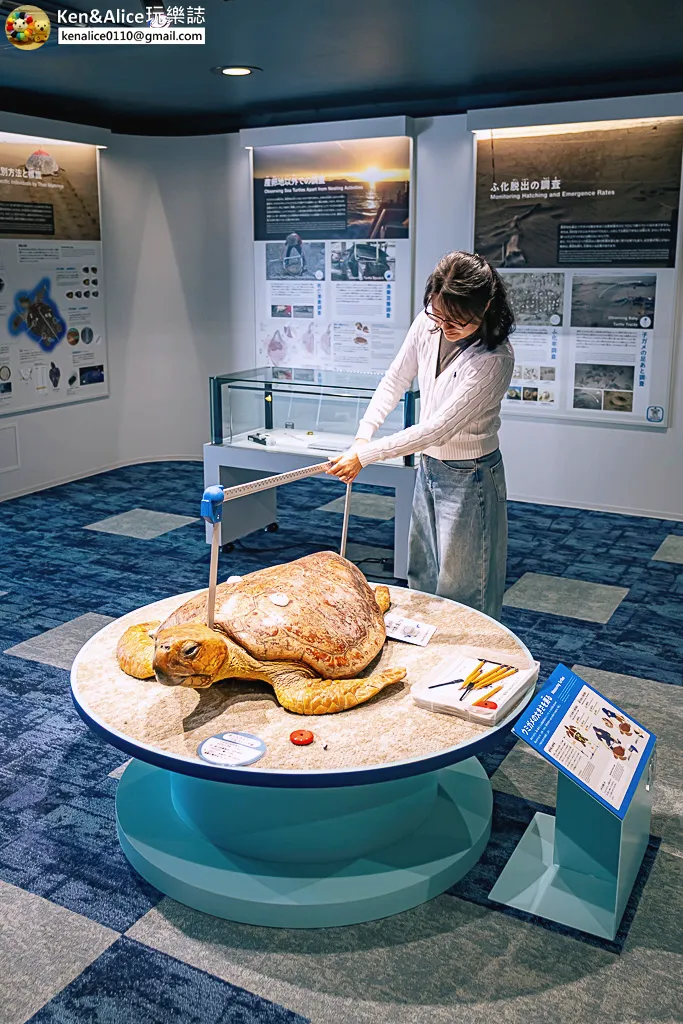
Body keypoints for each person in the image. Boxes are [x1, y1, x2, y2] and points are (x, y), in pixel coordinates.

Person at [327, 250, 515, 620]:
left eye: (458, 321)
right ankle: (430, 661)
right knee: (423, 573)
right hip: (430, 467)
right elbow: (396, 378)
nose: (445, 327)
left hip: (471, 474)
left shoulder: (495, 358)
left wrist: (366, 455)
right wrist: (363, 436)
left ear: (486, 307)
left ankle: (471, 663)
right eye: (439, 314)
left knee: (465, 587)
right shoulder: (430, 323)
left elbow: (439, 427)